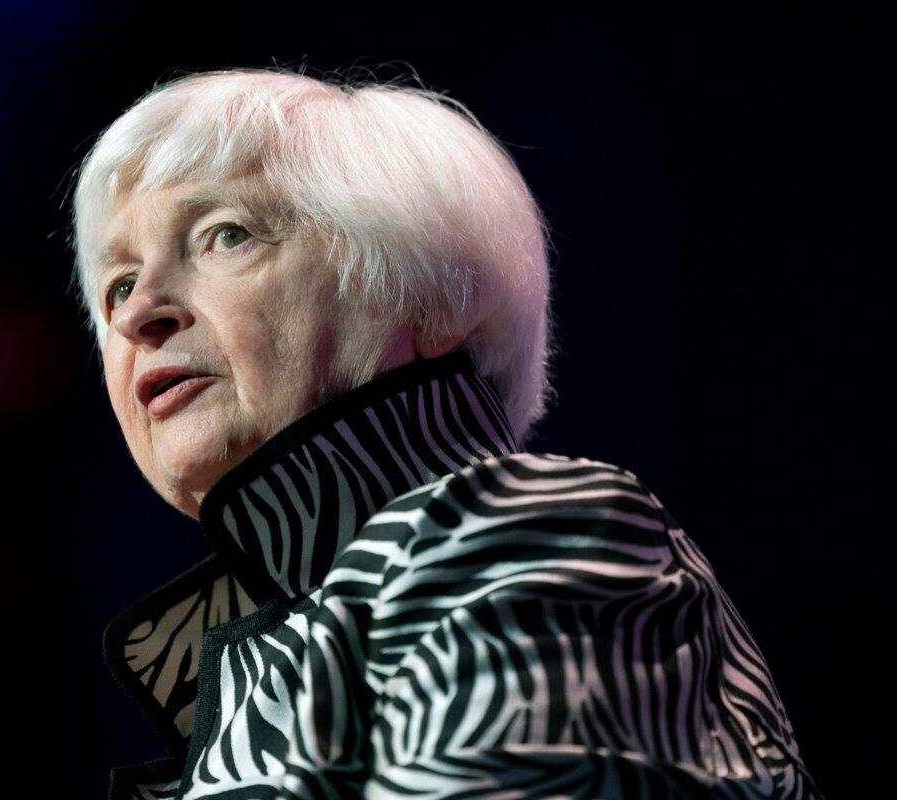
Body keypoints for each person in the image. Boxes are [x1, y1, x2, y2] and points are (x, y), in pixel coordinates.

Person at [71, 68, 821, 799]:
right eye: (120, 285)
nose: (138, 316)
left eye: (224, 236)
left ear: (429, 300)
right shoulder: (285, 650)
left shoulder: (530, 530)